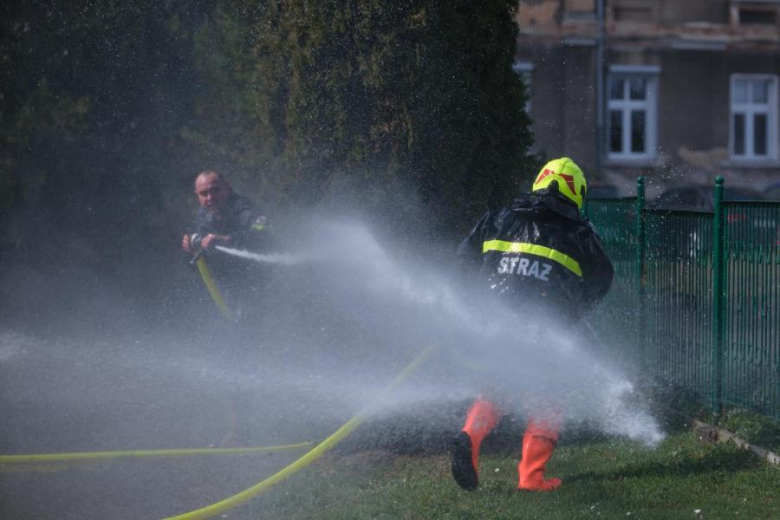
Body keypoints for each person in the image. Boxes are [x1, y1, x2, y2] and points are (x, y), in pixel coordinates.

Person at [451, 157, 614, 492]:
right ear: (578, 193)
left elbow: (462, 261)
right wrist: (573, 310)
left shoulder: (498, 217)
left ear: (540, 181)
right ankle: (531, 478)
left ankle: (469, 436)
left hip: (492, 326)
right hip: (545, 332)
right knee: (549, 400)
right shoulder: (581, 233)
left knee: (496, 390)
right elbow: (601, 280)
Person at [182, 170, 272, 315]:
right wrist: (189, 247)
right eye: (204, 193)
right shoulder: (201, 218)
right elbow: (195, 266)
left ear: (227, 187)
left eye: (215, 190)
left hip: (264, 287)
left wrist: (227, 240)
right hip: (226, 294)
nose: (210, 197)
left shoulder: (243, 208)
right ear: (197, 195)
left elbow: (265, 236)